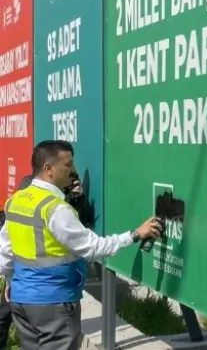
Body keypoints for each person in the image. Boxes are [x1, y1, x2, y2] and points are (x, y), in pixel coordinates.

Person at [0, 140, 163, 350]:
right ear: (48, 168)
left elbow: (5, 250)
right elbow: (93, 248)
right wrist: (135, 234)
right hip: (53, 302)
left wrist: (10, 279)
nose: (73, 170)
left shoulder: (16, 201)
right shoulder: (56, 209)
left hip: (22, 301)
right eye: (68, 164)